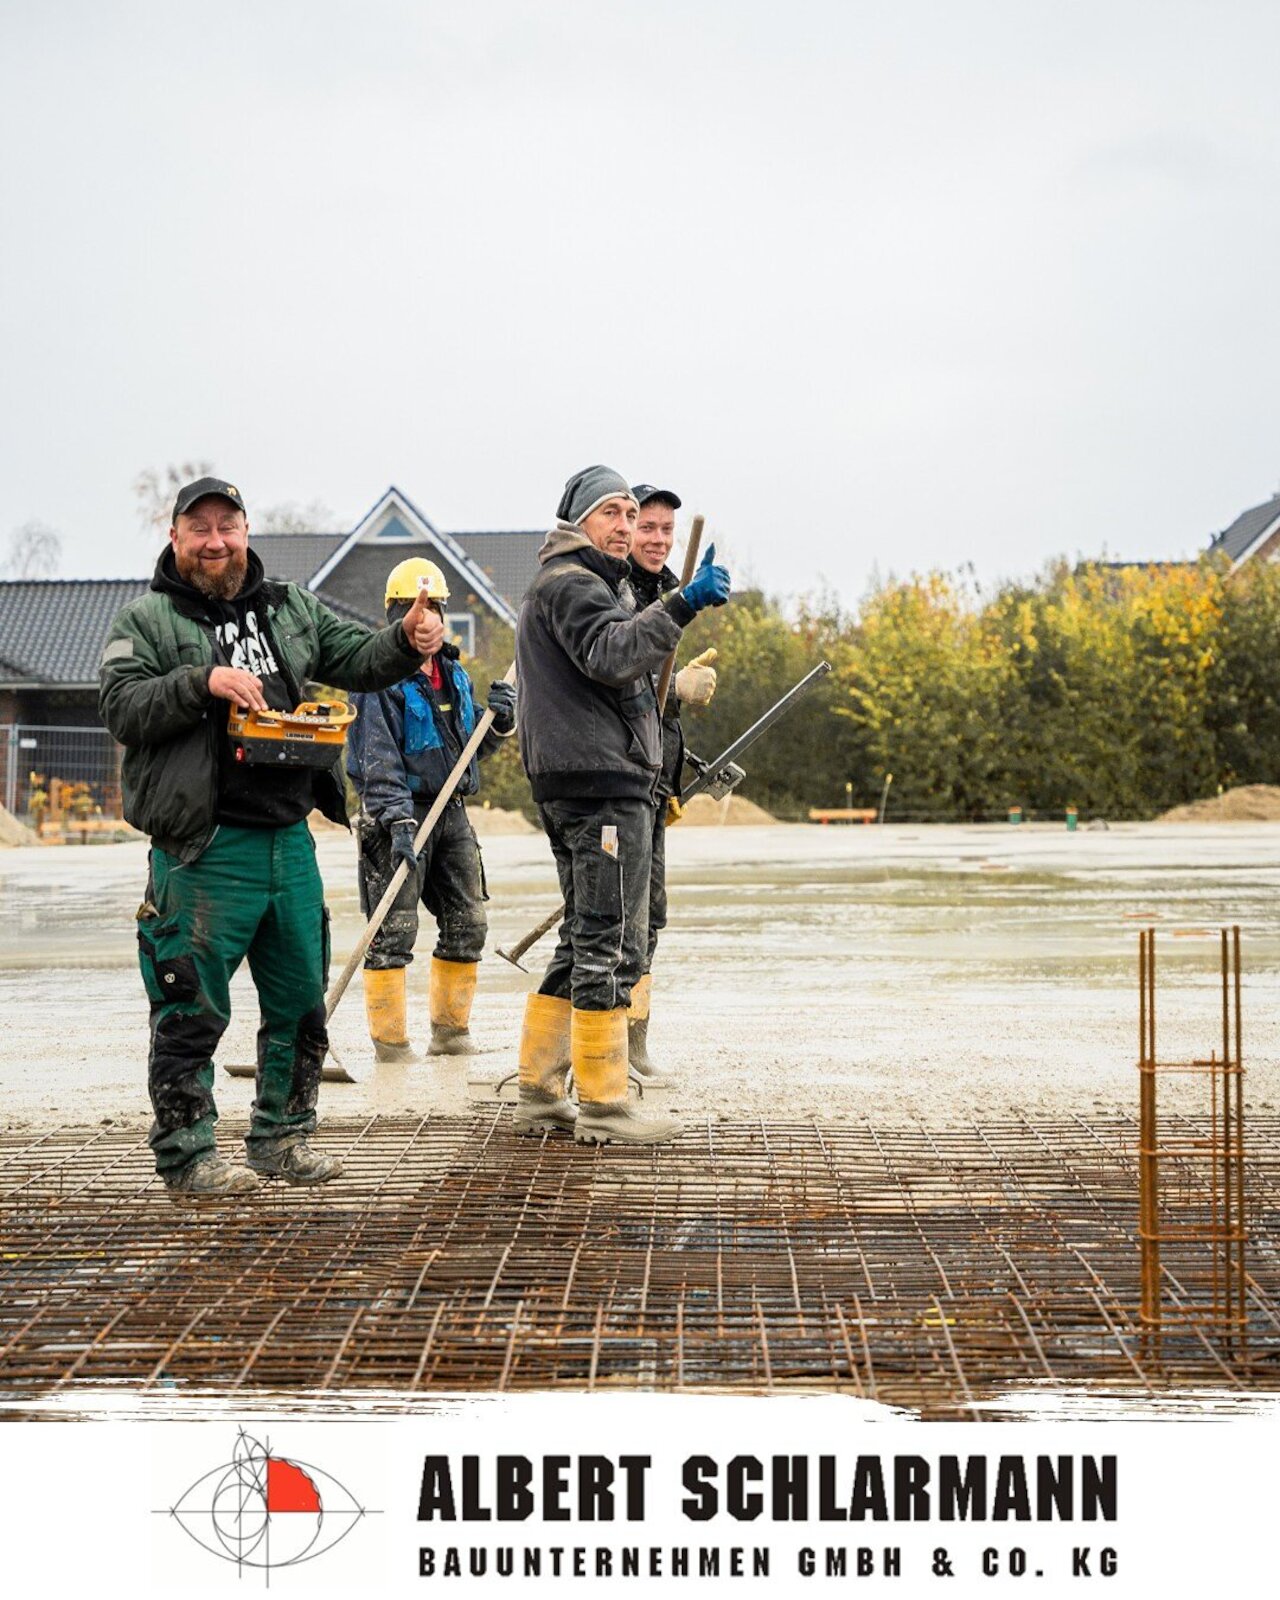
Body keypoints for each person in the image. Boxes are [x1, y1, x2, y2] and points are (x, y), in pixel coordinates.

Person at [99, 476, 444, 1197]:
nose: (215, 541)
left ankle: (282, 1141)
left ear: (246, 532)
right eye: (200, 529)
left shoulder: (288, 607)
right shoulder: (148, 619)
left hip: (289, 839)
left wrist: (409, 641)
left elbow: (360, 657)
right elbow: (122, 706)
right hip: (202, 848)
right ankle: (189, 1156)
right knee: (191, 1007)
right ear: (176, 538)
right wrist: (204, 682)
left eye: (228, 526)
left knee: (299, 1003)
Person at [512, 464, 730, 1144]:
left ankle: (540, 1091)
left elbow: (617, 666)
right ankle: (604, 1107)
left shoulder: (583, 585)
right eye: (614, 513)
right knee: (604, 940)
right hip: (598, 785)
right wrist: (681, 605)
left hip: (595, 778)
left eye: (632, 517)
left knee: (582, 939)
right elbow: (613, 655)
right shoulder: (573, 585)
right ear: (578, 520)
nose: (627, 526)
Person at [346, 558, 516, 1061]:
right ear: (397, 615)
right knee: (393, 932)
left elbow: (468, 750)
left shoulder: (454, 674)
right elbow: (375, 759)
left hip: (452, 812)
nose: (425, 618)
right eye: (411, 609)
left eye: (433, 608)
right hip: (396, 816)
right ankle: (391, 1045)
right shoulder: (377, 676)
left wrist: (498, 724)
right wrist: (397, 821)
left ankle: (450, 1033)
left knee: (469, 923)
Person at [626, 484, 720, 1079]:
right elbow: (610, 669)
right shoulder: (613, 591)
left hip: (657, 783)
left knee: (649, 915)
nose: (660, 539)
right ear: (625, 529)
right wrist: (670, 683)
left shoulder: (666, 592)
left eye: (668, 530)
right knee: (617, 920)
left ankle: (632, 1043)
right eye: (648, 528)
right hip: (618, 780)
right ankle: (599, 1051)